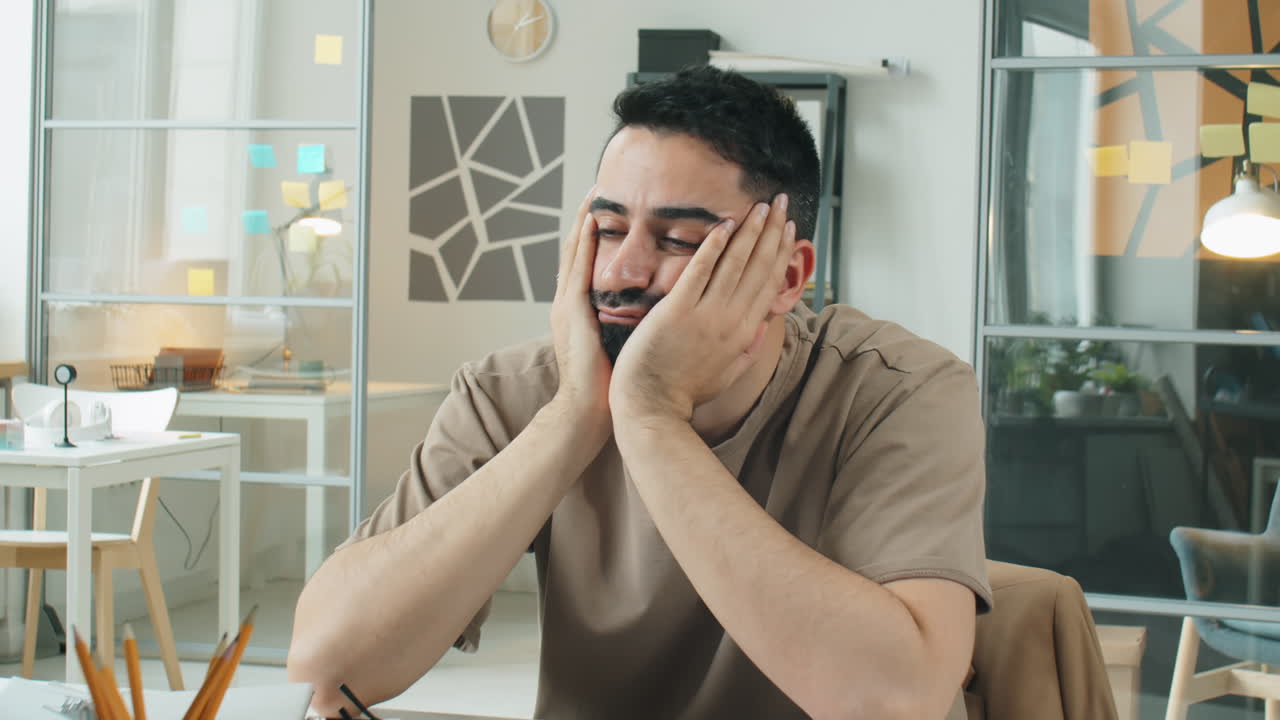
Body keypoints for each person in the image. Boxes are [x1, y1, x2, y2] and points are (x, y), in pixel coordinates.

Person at [288, 66, 991, 720]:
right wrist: (574, 415)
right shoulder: (514, 392)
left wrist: (652, 416)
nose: (621, 269)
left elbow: (897, 703)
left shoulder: (899, 391)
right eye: (608, 227)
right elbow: (330, 668)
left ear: (785, 276)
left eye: (679, 239)